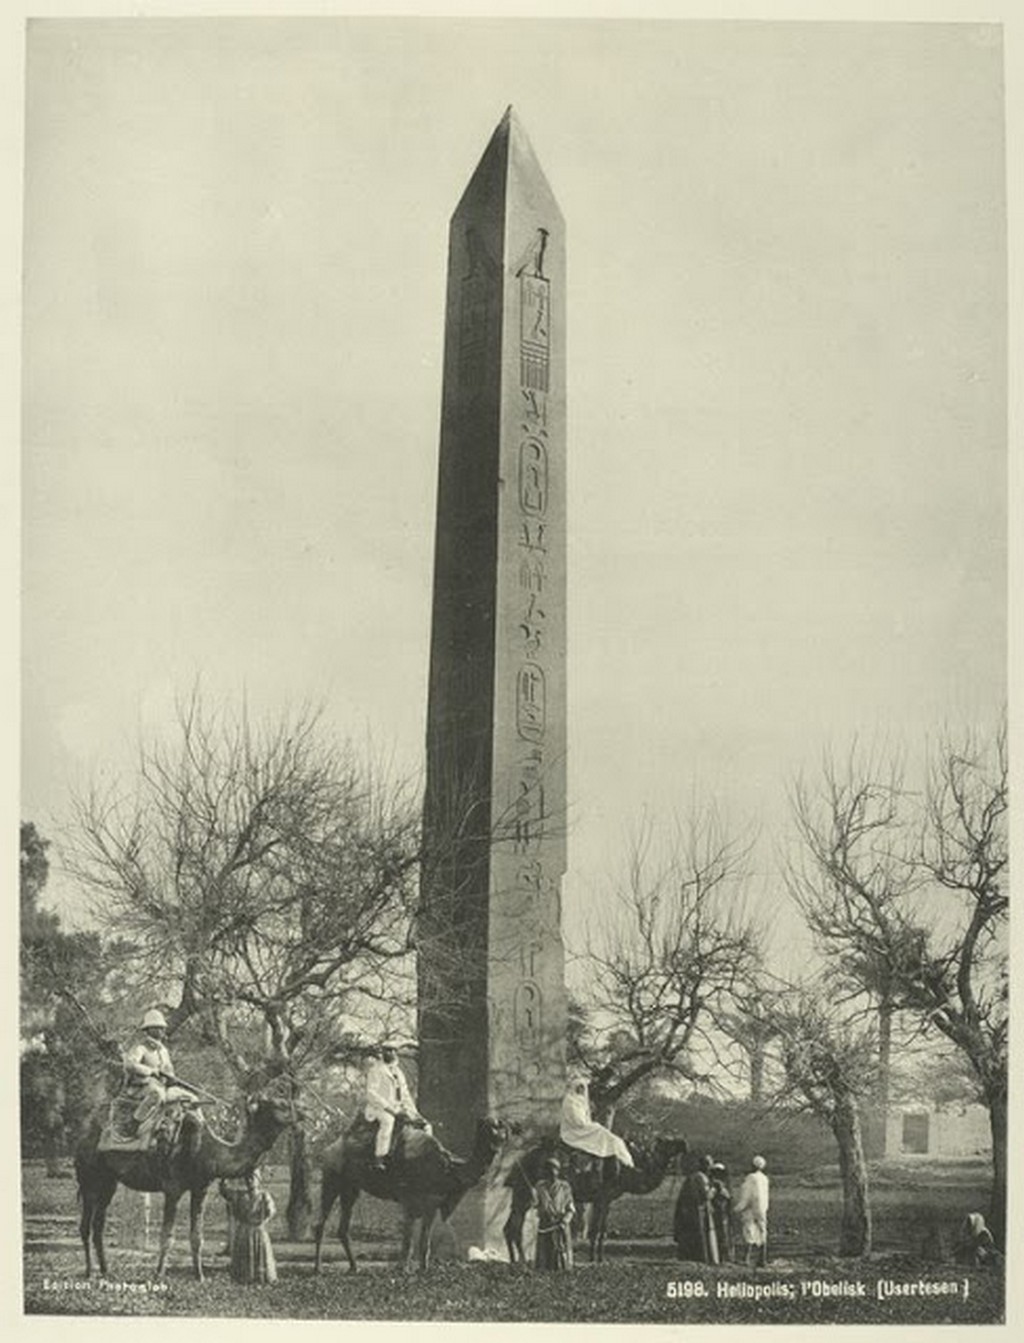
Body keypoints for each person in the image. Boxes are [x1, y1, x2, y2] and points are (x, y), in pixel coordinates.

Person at [121, 1008, 199, 1149]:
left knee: (192, 1098)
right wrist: (150, 1071)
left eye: (162, 1028)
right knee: (157, 1094)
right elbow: (129, 1064)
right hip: (141, 1087)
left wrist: (172, 1078)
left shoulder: (164, 1051)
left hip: (163, 1086)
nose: (162, 1031)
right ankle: (134, 1123)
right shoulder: (141, 1048)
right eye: (158, 1028)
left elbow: (169, 1070)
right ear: (149, 1030)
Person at [363, 1045, 429, 1171]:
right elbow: (371, 1093)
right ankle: (379, 1158)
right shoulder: (376, 1070)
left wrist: (414, 1113)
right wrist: (389, 1108)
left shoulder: (398, 1072)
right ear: (383, 1053)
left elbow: (404, 1095)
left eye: (394, 1050)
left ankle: (423, 1156)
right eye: (388, 1050)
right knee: (388, 1121)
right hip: (378, 1108)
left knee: (425, 1125)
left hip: (397, 1107)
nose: (391, 1053)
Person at [558, 1078, 635, 1170]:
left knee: (608, 1135)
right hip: (574, 1129)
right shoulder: (570, 1100)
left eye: (583, 1087)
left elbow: (585, 1118)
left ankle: (623, 1157)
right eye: (579, 1087)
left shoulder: (581, 1101)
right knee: (599, 1130)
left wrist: (587, 1121)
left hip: (583, 1126)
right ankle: (612, 1149)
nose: (581, 1090)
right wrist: (585, 1122)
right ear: (575, 1087)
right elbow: (576, 1119)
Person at [219, 1170, 277, 1285]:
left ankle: (261, 1278)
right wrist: (225, 1177)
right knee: (244, 1253)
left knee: (261, 1254)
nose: (249, 1181)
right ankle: (244, 1278)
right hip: (244, 1231)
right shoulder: (240, 1195)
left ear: (258, 1180)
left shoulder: (264, 1195)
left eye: (252, 1178)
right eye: (247, 1178)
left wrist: (261, 1221)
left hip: (258, 1230)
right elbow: (225, 1193)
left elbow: (270, 1211)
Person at [673, 1154, 719, 1264]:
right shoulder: (700, 1178)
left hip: (690, 1212)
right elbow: (706, 1196)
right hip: (698, 1212)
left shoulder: (692, 1177)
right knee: (701, 1234)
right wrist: (715, 1189)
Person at [534, 1155, 576, 1270]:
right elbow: (536, 1205)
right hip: (546, 1224)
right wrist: (539, 1207)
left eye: (554, 1169)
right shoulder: (540, 1187)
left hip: (560, 1224)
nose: (552, 1173)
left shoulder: (565, 1187)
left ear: (558, 1171)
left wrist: (564, 1221)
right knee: (545, 1256)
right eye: (548, 1170)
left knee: (561, 1253)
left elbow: (571, 1209)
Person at [733, 1154, 770, 1266]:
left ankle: (746, 1259)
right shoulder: (765, 1178)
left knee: (749, 1231)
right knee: (762, 1231)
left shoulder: (751, 1178)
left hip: (751, 1208)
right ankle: (762, 1259)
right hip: (762, 1208)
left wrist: (737, 1208)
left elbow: (747, 1196)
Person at [710, 1161, 733, 1263]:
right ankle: (724, 1257)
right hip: (721, 1211)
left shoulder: (715, 1184)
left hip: (719, 1211)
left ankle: (723, 1257)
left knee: (722, 1234)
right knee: (723, 1234)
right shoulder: (721, 1184)